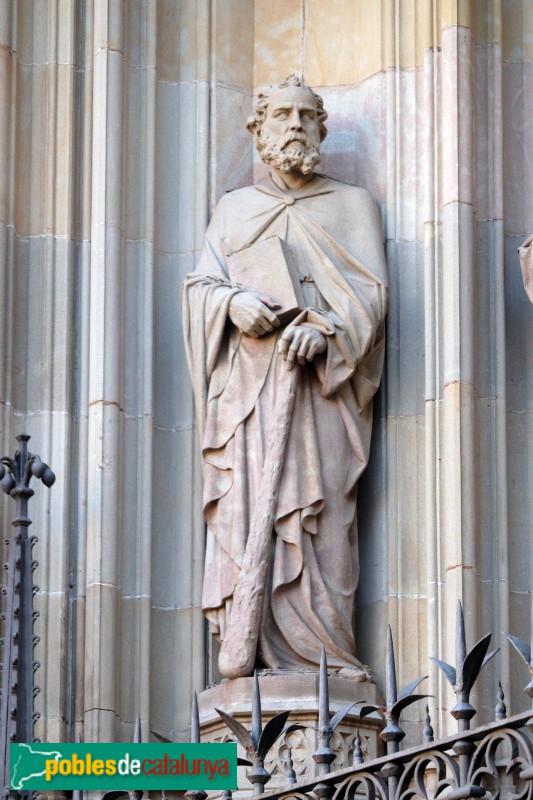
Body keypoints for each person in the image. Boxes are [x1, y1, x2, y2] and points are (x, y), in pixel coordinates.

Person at [182, 75, 388, 679]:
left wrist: (324, 330)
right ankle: (249, 655)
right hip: (247, 401)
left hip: (320, 395)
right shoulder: (234, 210)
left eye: (307, 116)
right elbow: (200, 288)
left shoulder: (352, 207)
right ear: (259, 130)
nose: (295, 126)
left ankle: (321, 659)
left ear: (321, 129)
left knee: (317, 521)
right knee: (247, 516)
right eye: (282, 116)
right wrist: (229, 304)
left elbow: (370, 299)